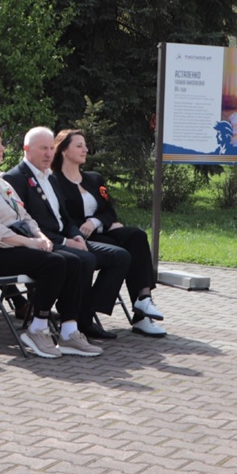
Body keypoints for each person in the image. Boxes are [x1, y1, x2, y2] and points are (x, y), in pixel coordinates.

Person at [0, 120, 94, 359]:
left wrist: (39, 235)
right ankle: (37, 328)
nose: (2, 148)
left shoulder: (0, 181)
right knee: (55, 263)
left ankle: (69, 331)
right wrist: (29, 242)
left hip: (14, 246)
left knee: (74, 261)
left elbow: (24, 215)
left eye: (0, 143)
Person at [4, 127, 129, 344]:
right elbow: (24, 225)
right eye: (43, 149)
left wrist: (76, 236)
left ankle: (86, 312)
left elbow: (65, 218)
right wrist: (65, 241)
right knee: (85, 259)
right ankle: (77, 321)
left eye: (51, 148)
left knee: (120, 257)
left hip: (67, 237)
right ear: (26, 149)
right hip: (43, 243)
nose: (48, 154)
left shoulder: (50, 178)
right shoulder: (14, 178)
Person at [52, 129, 166, 337]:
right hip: (76, 238)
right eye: (79, 146)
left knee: (136, 236)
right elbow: (61, 216)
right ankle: (86, 314)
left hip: (99, 231)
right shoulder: (54, 181)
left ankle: (143, 302)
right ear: (64, 150)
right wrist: (85, 227)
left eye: (85, 145)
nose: (85, 150)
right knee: (122, 256)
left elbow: (109, 211)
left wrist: (96, 222)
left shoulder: (94, 179)